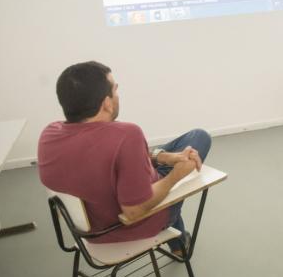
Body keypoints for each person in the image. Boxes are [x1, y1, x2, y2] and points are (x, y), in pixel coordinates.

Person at [38, 61, 211, 255]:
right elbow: (134, 211)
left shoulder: (49, 134)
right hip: (132, 225)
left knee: (168, 153)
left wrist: (162, 157)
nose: (117, 95)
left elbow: (112, 158)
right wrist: (176, 175)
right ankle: (179, 245)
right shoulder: (127, 135)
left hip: (87, 232)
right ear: (107, 103)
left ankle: (179, 246)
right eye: (115, 89)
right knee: (199, 137)